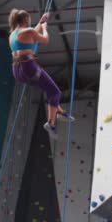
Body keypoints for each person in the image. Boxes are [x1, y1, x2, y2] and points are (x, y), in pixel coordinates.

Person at [8, 9, 74, 139]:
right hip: (29, 67)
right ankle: (51, 123)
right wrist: (44, 28)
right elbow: (44, 39)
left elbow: (31, 34)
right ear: (26, 20)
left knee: (49, 90)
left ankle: (60, 112)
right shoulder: (29, 31)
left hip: (17, 71)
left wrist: (41, 21)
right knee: (55, 92)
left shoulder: (12, 35)